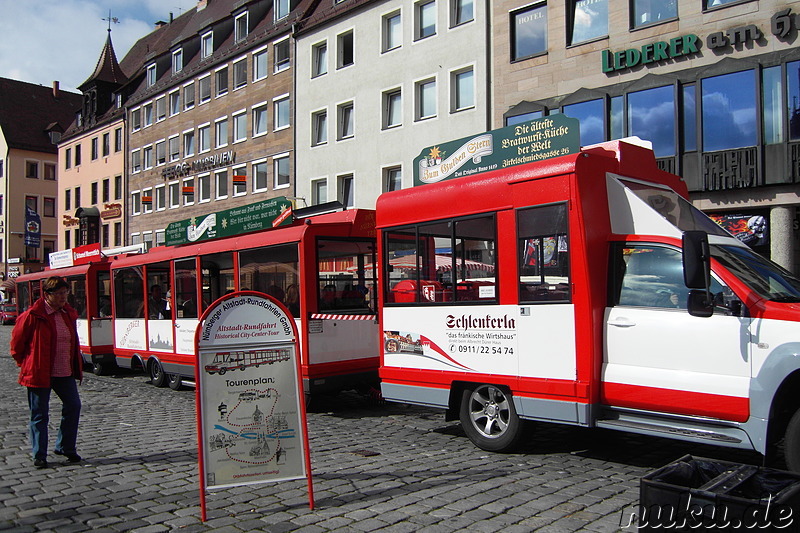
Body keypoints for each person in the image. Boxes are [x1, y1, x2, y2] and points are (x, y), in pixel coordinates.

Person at [10, 276, 83, 468]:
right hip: (39, 372)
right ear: (47, 295)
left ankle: (65, 446)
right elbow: (17, 344)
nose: (63, 297)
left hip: (64, 371)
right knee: (40, 414)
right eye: (58, 293)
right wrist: (25, 364)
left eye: (65, 293)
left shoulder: (67, 313)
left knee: (73, 405)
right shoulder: (33, 315)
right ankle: (39, 454)